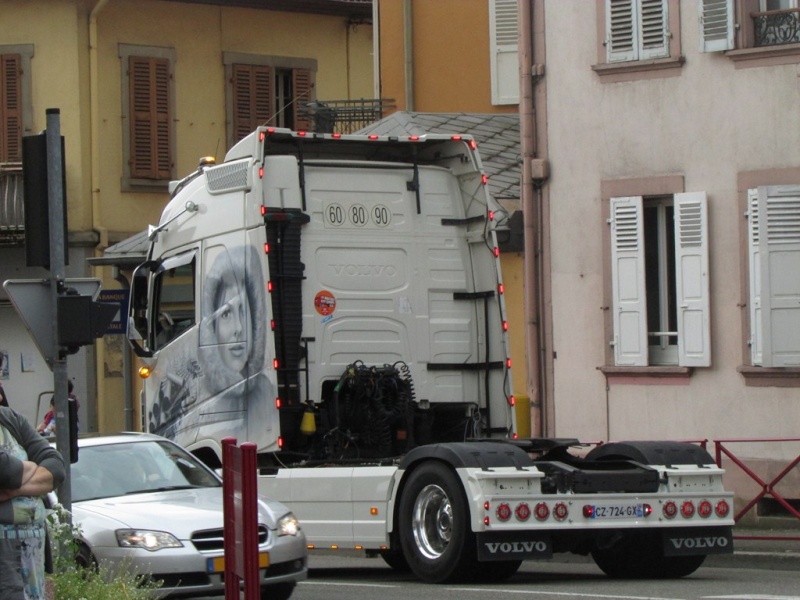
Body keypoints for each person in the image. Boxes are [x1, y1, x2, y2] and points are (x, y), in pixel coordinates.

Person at [0, 405, 65, 600]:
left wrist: (13, 488)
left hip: (30, 555)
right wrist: (30, 470)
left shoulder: (8, 418)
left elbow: (56, 466)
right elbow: (6, 471)